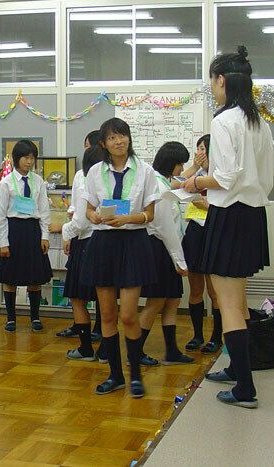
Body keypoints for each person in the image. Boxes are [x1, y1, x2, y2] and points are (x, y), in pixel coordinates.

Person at [183, 45, 274, 409]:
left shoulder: (223, 121)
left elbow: (222, 178)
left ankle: (245, 388)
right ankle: (237, 368)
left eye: (212, 81)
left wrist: (194, 183)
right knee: (238, 300)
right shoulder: (259, 122)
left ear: (221, 80)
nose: (212, 87)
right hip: (252, 216)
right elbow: (266, 178)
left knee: (229, 304)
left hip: (229, 216)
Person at [83, 117, 159, 398]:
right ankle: (115, 375)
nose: (119, 141)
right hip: (104, 243)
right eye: (113, 138)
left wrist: (127, 218)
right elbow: (89, 209)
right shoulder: (95, 172)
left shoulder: (145, 171)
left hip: (133, 242)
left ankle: (135, 374)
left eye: (123, 135)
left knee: (128, 315)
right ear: (104, 144)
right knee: (107, 314)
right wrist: (93, 216)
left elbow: (150, 214)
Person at [137, 142, 193, 366]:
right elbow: (166, 229)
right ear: (171, 163)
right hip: (160, 250)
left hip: (168, 248)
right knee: (156, 301)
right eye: (180, 164)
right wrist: (180, 260)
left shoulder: (164, 183)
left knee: (172, 300)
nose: (182, 169)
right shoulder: (159, 187)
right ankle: (135, 351)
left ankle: (172, 351)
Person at [0, 140, 52, 331]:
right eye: (25, 158)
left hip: (33, 230)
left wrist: (45, 236)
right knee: (10, 277)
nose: (29, 161)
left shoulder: (38, 181)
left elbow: (44, 211)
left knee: (35, 277)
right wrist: (3, 243)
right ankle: (11, 318)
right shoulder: (6, 183)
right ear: (16, 158)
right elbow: (0, 216)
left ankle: (35, 317)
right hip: (13, 230)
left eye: (32, 158)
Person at [55, 129, 102, 342]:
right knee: (93, 292)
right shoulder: (84, 175)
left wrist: (67, 231)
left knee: (84, 293)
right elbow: (77, 206)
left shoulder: (92, 176)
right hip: (89, 237)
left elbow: (83, 219)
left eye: (88, 147)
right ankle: (89, 331)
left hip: (88, 238)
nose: (86, 151)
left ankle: (89, 341)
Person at [180, 135, 222, 353]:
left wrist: (208, 206)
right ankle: (197, 335)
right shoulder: (195, 175)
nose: (199, 153)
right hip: (195, 231)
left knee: (215, 291)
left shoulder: (221, 176)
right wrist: (194, 167)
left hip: (215, 231)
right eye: (198, 148)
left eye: (203, 149)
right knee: (196, 289)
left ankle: (216, 337)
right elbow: (173, 183)